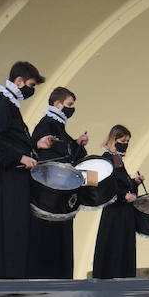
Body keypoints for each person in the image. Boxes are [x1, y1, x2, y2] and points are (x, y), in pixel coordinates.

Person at [0, 61, 56, 279]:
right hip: (11, 173)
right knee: (11, 223)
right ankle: (9, 273)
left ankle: (16, 272)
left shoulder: (10, 105)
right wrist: (19, 157)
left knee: (17, 223)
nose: (30, 91)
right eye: (30, 85)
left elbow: (12, 138)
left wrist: (35, 146)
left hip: (17, 173)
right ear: (18, 81)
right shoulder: (3, 103)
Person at [27, 86, 88, 278]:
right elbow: (41, 151)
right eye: (69, 104)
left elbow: (68, 152)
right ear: (57, 104)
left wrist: (77, 144)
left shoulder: (59, 127)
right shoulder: (47, 124)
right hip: (48, 196)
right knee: (47, 239)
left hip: (59, 195)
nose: (71, 109)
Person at [92, 125, 143, 279]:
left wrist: (134, 182)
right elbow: (102, 185)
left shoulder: (117, 159)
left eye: (128, 141)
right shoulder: (105, 158)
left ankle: (123, 276)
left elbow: (121, 182)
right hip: (115, 211)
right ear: (113, 139)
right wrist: (123, 195)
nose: (125, 144)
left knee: (123, 245)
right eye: (123, 140)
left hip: (124, 211)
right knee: (114, 244)